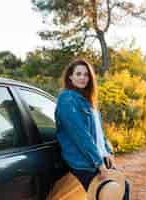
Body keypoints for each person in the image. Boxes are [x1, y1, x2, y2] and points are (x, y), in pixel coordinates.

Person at [54, 59, 130, 199]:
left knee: (122, 187)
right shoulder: (67, 99)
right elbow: (81, 135)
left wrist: (107, 151)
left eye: (86, 75)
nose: (83, 78)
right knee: (108, 194)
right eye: (78, 74)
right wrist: (99, 164)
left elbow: (100, 133)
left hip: (99, 157)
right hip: (85, 161)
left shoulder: (87, 100)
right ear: (70, 77)